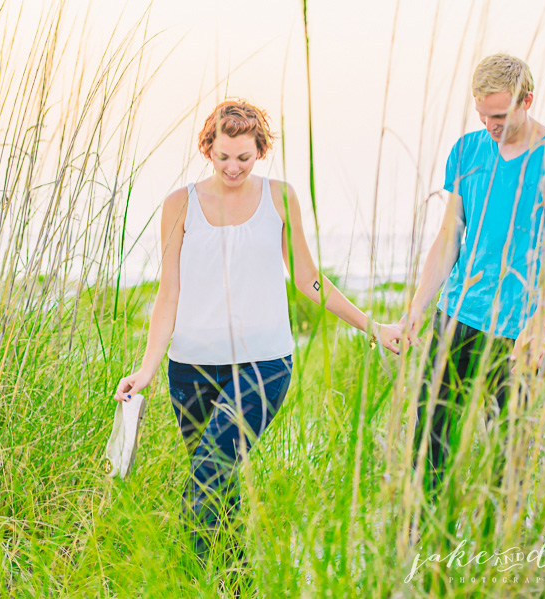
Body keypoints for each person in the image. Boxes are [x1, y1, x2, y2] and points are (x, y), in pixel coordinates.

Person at [113, 100, 402, 585]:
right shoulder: (179, 204)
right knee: (222, 487)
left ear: (260, 152)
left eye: (244, 158)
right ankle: (240, 583)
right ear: (207, 148)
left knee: (206, 477)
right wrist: (146, 368)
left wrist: (373, 326)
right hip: (190, 369)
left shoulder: (280, 197)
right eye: (223, 156)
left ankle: (188, 581)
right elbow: (169, 292)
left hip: (264, 365)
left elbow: (309, 280)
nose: (232, 168)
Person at [400, 54, 545, 512]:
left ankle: (502, 558)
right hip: (457, 317)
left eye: (500, 116)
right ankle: (425, 552)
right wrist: (415, 312)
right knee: (430, 444)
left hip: (518, 332)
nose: (490, 125)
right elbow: (448, 238)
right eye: (482, 114)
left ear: (528, 100)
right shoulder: (467, 151)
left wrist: (540, 328)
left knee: (512, 455)